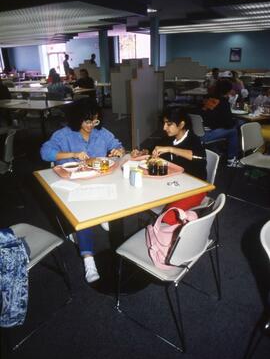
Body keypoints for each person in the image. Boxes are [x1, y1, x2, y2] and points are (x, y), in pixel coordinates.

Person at [40, 100, 125, 283]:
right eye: (87, 121)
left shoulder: (101, 133)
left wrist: (118, 150)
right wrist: (72, 154)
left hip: (100, 181)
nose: (91, 126)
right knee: (83, 216)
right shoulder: (64, 135)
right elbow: (45, 152)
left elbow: (118, 145)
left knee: (121, 196)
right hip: (74, 184)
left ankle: (102, 215)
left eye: (95, 121)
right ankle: (89, 260)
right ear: (77, 119)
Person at [132, 106, 207, 225]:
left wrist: (171, 149)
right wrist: (143, 152)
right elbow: (154, 149)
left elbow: (200, 157)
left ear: (181, 124)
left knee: (168, 218)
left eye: (169, 124)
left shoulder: (194, 140)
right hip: (172, 184)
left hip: (194, 188)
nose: (164, 127)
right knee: (138, 196)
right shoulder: (169, 138)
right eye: (164, 123)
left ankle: (174, 235)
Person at [200, 79, 240, 167]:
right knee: (234, 130)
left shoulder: (209, 99)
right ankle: (231, 159)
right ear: (229, 91)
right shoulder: (224, 102)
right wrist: (234, 122)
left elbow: (210, 116)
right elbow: (228, 124)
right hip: (206, 135)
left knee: (231, 126)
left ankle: (218, 151)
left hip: (198, 132)